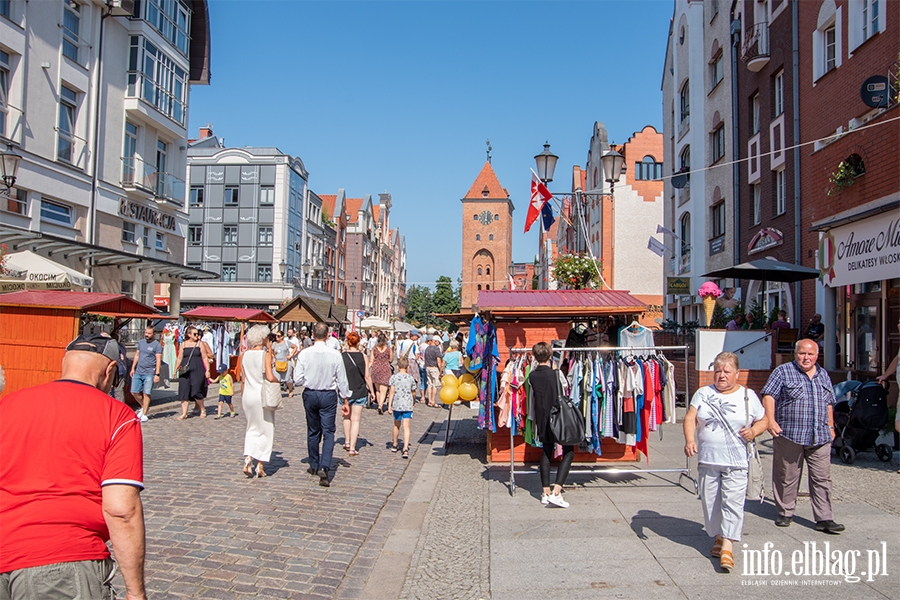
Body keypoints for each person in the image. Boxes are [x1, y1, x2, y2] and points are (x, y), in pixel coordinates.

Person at [0, 333, 146, 600]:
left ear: (64, 362)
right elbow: (121, 510)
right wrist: (135, 592)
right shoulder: (117, 415)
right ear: (110, 371)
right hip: (64, 559)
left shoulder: (7, 405)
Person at [683, 352, 767, 572]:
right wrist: (690, 439)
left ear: (737, 374)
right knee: (711, 502)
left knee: (732, 502)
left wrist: (754, 430)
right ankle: (719, 536)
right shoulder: (703, 393)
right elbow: (690, 417)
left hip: (737, 460)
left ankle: (728, 546)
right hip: (708, 459)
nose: (721, 376)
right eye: (718, 371)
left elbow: (764, 419)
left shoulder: (747, 396)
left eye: (726, 372)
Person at [761, 339, 844, 533]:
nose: (806, 358)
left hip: (820, 435)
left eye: (810, 354)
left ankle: (824, 518)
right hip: (790, 433)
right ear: (795, 353)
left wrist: (831, 426)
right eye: (802, 353)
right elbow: (768, 396)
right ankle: (785, 512)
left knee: (822, 478)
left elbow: (829, 402)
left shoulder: (823, 375)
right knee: (787, 476)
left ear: (817, 355)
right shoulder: (782, 372)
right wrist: (770, 420)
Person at [294, 322, 350, 487]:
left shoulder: (304, 354)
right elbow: (342, 380)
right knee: (329, 431)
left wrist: (309, 380)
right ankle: (325, 466)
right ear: (327, 336)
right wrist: (345, 399)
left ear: (312, 334)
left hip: (310, 393)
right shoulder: (334, 354)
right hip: (328, 395)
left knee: (313, 430)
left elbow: (297, 379)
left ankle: (313, 464)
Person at [527, 341, 573, 508]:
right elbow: (565, 388)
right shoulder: (556, 374)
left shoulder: (532, 376)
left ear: (534, 356)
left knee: (546, 452)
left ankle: (545, 492)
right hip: (558, 417)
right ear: (550, 355)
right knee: (568, 452)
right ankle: (557, 491)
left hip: (542, 418)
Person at [240, 325, 278, 478]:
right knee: (266, 430)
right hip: (261, 395)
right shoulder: (265, 355)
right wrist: (277, 380)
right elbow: (269, 376)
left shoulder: (245, 355)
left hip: (248, 395)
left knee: (251, 428)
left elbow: (243, 379)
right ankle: (260, 465)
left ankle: (248, 457)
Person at [341, 331, 371, 456]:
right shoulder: (363, 356)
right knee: (356, 420)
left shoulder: (342, 356)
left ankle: (347, 442)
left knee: (346, 417)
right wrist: (372, 391)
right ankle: (353, 448)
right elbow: (367, 376)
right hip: (359, 390)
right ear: (358, 342)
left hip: (345, 391)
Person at [173, 325, 211, 419]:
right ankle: (184, 413)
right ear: (189, 334)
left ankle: (202, 408)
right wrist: (175, 370)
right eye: (194, 334)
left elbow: (205, 357)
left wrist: (208, 370)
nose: (197, 335)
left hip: (198, 369)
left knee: (196, 390)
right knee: (184, 391)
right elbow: (179, 358)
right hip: (185, 371)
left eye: (197, 333)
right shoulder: (183, 344)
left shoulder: (200, 344)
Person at [130, 325, 162, 423]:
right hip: (139, 370)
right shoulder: (141, 342)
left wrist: (157, 374)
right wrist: (133, 368)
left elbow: (158, 359)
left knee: (146, 392)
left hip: (150, 372)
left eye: (149, 333)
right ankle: (144, 407)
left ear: (154, 334)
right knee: (134, 391)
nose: (147, 335)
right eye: (146, 333)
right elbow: (137, 355)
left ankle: (144, 413)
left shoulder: (157, 345)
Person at [388, 357, 417, 459]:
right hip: (407, 404)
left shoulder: (394, 378)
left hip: (397, 404)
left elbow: (391, 392)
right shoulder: (410, 378)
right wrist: (414, 401)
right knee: (407, 427)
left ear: (397, 366)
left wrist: (389, 405)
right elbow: (413, 392)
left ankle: (395, 444)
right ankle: (405, 448)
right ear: (408, 367)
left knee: (396, 425)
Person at [368, 332, 393, 414]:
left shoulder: (374, 349)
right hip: (385, 369)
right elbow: (391, 360)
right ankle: (380, 406)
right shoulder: (388, 349)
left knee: (378, 390)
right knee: (384, 389)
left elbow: (371, 361)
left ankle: (379, 404)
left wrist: (367, 368)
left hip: (376, 369)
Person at [398, 330, 422, 402]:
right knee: (414, 379)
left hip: (405, 361)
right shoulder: (414, 344)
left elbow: (400, 353)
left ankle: (404, 393)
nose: (417, 337)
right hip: (412, 362)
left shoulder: (403, 342)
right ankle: (412, 394)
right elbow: (416, 356)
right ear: (413, 336)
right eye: (416, 336)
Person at [423, 335, 445, 408]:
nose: (439, 344)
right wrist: (441, 370)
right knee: (435, 385)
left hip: (428, 367)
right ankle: (433, 401)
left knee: (429, 384)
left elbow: (425, 359)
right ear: (435, 341)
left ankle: (429, 400)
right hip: (434, 368)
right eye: (438, 342)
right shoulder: (436, 349)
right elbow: (438, 361)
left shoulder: (427, 348)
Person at [285, 328, 301, 398]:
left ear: (293, 333)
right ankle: (287, 384)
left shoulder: (295, 340)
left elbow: (297, 349)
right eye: (288, 332)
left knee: (292, 371)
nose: (288, 333)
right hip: (285, 357)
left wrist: (292, 355)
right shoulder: (285, 339)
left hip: (293, 357)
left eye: (290, 332)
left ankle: (291, 384)